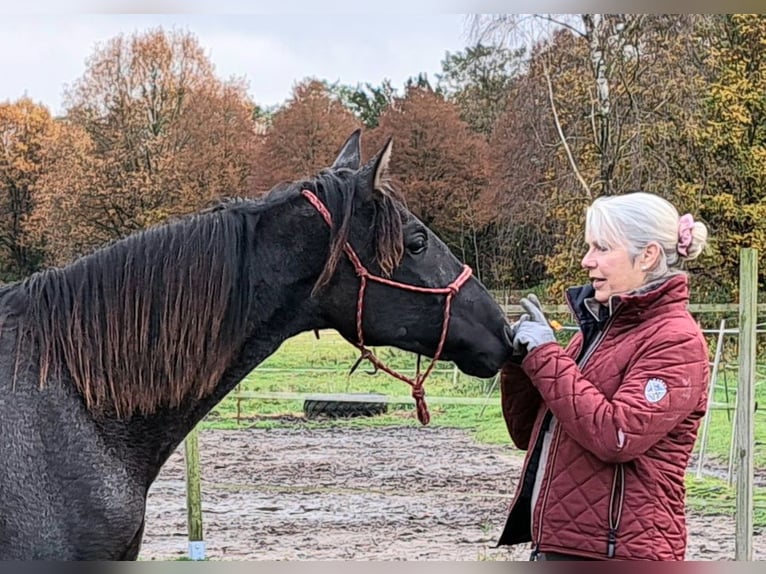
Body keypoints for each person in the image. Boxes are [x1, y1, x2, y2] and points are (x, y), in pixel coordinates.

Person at [496, 191, 710, 561]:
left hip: (621, 552)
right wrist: (519, 362)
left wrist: (547, 355)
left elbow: (617, 435)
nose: (586, 260)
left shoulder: (675, 340)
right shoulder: (594, 334)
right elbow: (528, 433)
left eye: (601, 248)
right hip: (566, 547)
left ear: (648, 256)